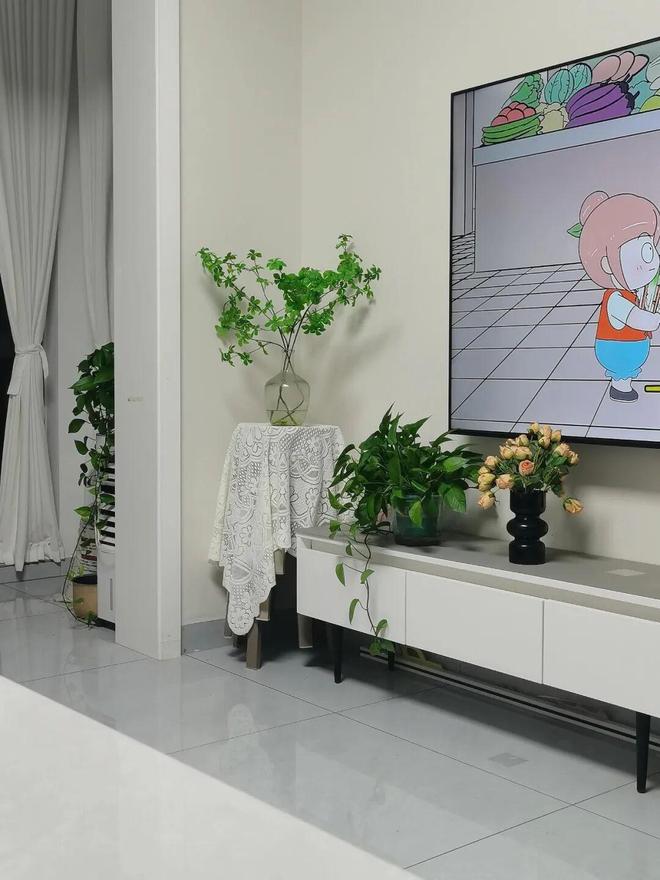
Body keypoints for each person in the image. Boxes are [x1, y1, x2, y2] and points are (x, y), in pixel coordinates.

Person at [578, 191, 660, 401]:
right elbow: (640, 319)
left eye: (650, 248)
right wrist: (653, 318)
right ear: (607, 264)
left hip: (630, 347)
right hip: (616, 348)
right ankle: (620, 387)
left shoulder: (632, 291)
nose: (652, 262)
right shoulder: (615, 299)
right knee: (623, 372)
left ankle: (623, 383)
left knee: (627, 370)